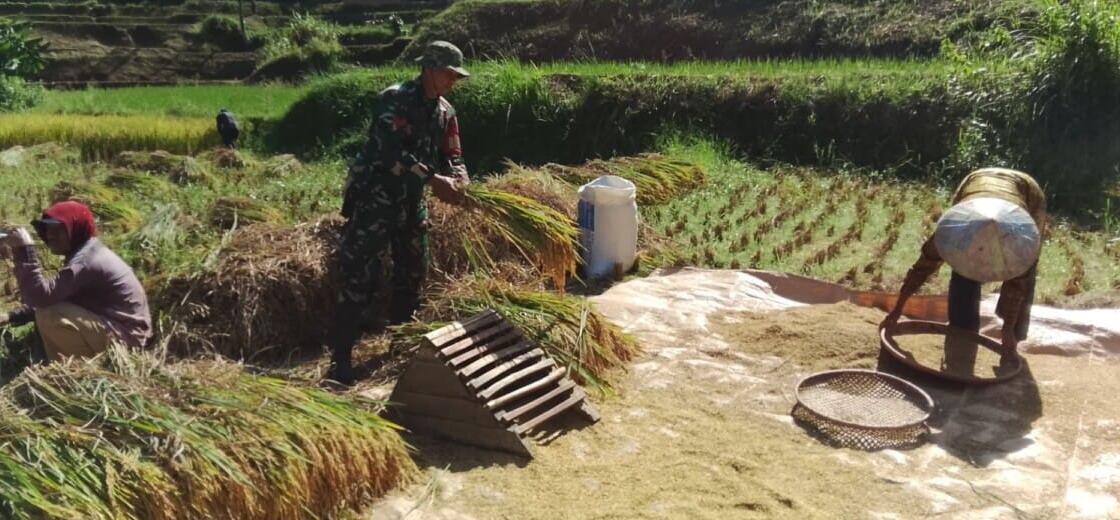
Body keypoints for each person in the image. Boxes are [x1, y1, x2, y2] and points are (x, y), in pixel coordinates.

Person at [327, 40, 472, 384]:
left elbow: (453, 153)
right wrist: (433, 179)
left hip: (410, 201)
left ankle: (400, 346)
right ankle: (342, 358)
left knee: (412, 271)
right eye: (449, 75)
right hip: (376, 198)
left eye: (456, 76)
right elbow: (388, 153)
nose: (453, 82)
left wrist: (460, 176)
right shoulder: (395, 100)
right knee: (360, 273)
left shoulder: (446, 112)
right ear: (430, 70)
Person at [882, 168, 1045, 366]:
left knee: (1024, 269)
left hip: (1027, 195)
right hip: (977, 184)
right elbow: (923, 267)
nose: (983, 259)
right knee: (963, 270)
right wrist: (897, 309)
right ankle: (962, 330)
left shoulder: (1019, 240)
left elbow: (1017, 285)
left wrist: (1008, 330)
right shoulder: (955, 232)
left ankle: (1013, 338)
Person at [0, 201, 152, 362]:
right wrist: (10, 316)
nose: (50, 235)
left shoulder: (86, 261)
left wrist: (25, 250)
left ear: (76, 228)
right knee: (50, 309)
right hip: (120, 331)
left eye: (59, 230)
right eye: (48, 230)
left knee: (50, 314)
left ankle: (80, 368)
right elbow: (56, 296)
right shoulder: (86, 253)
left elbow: (41, 298)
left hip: (127, 341)